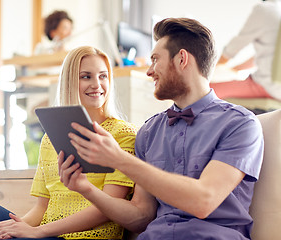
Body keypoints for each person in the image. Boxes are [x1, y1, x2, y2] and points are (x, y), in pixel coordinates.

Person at [59, 18, 264, 240]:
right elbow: (140, 218)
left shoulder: (240, 124)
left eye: (155, 59)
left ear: (182, 59)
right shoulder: (149, 132)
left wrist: (119, 159)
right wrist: (86, 189)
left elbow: (204, 200)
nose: (149, 71)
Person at [0, 46, 138, 240]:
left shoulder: (122, 134)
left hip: (79, 238)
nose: (97, 84)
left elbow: (108, 207)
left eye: (103, 76)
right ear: (70, 81)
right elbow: (41, 208)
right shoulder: (51, 138)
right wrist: (12, 229)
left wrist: (37, 232)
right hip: (43, 236)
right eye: (86, 76)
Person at [210, 0, 281, 101]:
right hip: (273, 86)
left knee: (205, 90)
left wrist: (210, 72)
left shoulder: (265, 10)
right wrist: (235, 69)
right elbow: (266, 55)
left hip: (270, 88)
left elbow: (233, 48)